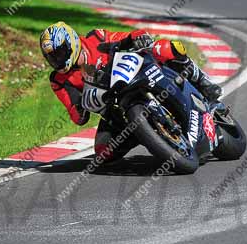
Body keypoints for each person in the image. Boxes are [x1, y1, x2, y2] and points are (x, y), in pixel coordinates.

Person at [40, 21, 222, 163]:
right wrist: (80, 108)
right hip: (115, 108)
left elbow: (125, 36)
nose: (57, 59)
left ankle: (201, 80)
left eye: (60, 52)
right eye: (52, 57)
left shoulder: (96, 38)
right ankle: (148, 135)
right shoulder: (58, 80)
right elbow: (77, 116)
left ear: (71, 42)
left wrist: (137, 37)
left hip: (138, 74)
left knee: (166, 48)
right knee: (103, 152)